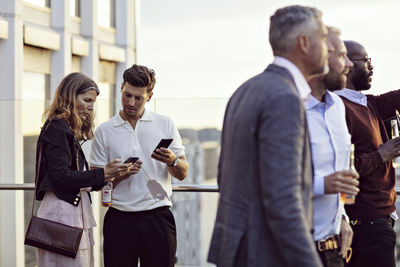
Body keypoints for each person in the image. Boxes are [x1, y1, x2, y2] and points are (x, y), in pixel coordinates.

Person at [207, 5, 328, 267]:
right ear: (304, 43)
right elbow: (283, 201)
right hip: (266, 255)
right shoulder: (285, 98)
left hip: (238, 250)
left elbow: (225, 177)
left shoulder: (245, 90)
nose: (327, 45)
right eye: (323, 35)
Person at [90, 64, 189, 267]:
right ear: (121, 89)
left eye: (138, 98)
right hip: (119, 219)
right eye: (127, 95)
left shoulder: (165, 124)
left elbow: (183, 173)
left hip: (158, 216)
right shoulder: (104, 131)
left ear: (150, 97)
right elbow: (96, 182)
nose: (131, 102)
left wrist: (172, 160)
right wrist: (119, 176)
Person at [34, 72, 131, 267]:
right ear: (70, 96)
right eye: (87, 100)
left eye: (93, 102)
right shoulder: (57, 128)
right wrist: (103, 173)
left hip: (69, 212)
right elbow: (61, 176)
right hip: (62, 214)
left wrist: (109, 174)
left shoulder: (62, 129)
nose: (91, 107)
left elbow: (70, 176)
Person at [335, 41, 400, 267]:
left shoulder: (367, 102)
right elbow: (339, 169)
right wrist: (381, 155)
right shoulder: (338, 109)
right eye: (366, 60)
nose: (371, 67)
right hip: (364, 225)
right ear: (348, 64)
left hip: (379, 221)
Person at [307, 27, 359, 267]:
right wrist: (323, 185)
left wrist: (343, 217)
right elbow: (263, 180)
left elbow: (342, 169)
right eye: (342, 56)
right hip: (296, 251)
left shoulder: (337, 105)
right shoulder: (287, 106)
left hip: (334, 249)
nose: (349, 64)